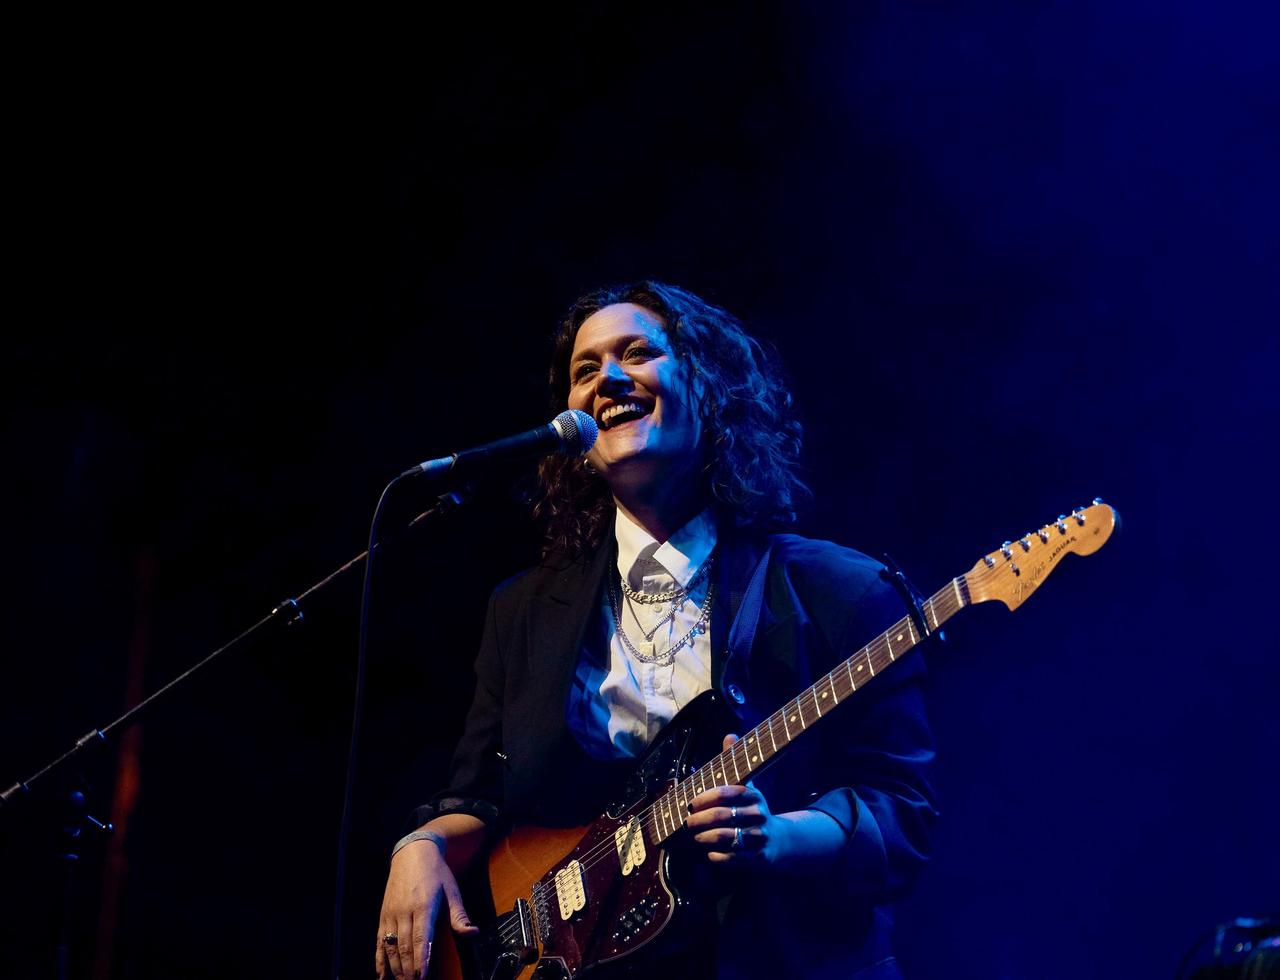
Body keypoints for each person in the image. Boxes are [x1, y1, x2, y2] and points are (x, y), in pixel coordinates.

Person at [376, 281, 937, 979]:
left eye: (638, 353)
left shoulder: (840, 590)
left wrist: (781, 839)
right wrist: (421, 844)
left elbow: (902, 812)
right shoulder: (520, 612)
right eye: (586, 370)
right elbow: (481, 795)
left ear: (707, 385)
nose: (609, 377)